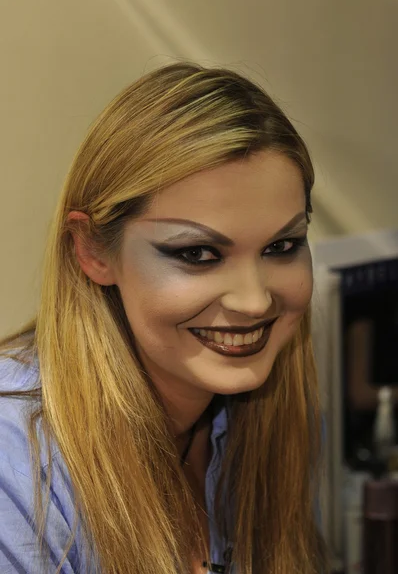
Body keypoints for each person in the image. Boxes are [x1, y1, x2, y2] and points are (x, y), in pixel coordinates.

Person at [0, 63, 327, 574]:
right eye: (198, 253)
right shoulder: (14, 466)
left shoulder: (262, 422)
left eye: (282, 246)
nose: (254, 301)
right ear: (92, 251)